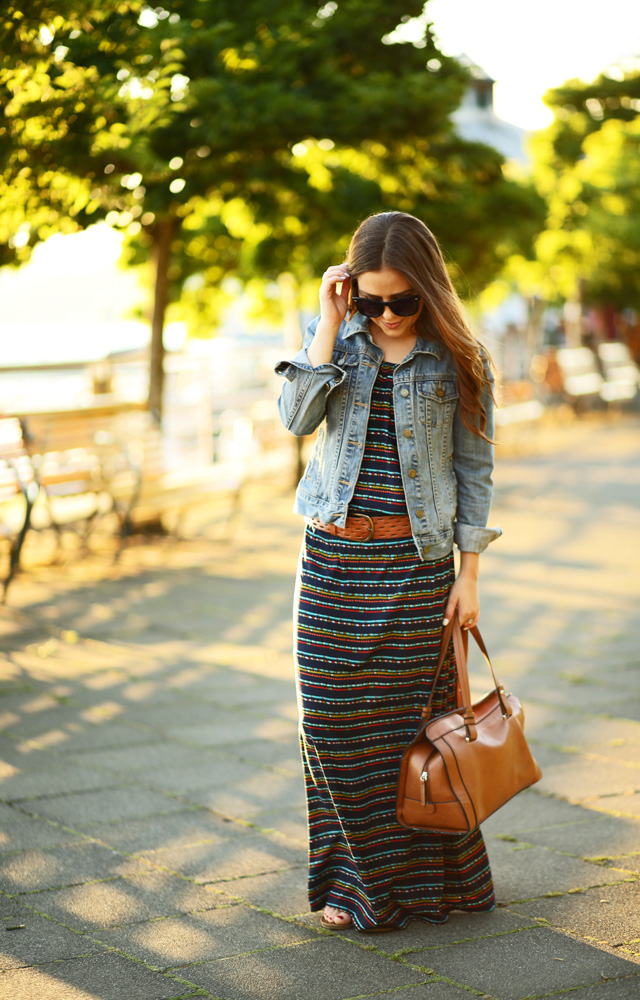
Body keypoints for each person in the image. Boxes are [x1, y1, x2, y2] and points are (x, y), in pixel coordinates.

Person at [274, 211, 502, 932]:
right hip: (335, 561)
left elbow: (475, 470)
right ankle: (356, 880)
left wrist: (470, 577)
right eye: (372, 301)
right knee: (333, 724)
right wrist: (327, 324)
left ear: (428, 290)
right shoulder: (338, 343)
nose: (389, 315)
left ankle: (418, 887)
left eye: (404, 300)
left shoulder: (460, 355)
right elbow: (294, 417)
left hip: (417, 567)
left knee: (411, 731)